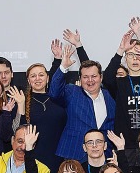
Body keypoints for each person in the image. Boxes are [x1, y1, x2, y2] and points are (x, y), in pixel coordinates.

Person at [50, 29, 116, 164]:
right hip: (74, 153)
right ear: (80, 79)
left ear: (101, 77)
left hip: (105, 155)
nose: (90, 80)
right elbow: (54, 92)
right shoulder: (71, 92)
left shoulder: (110, 95)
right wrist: (63, 67)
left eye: (94, 76)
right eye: (85, 77)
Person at [13, 47, 68, 171]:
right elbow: (17, 130)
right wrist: (20, 105)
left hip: (59, 160)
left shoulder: (59, 98)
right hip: (33, 161)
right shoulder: (22, 100)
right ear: (28, 80)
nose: (37, 78)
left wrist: (58, 59)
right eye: (33, 76)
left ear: (47, 78)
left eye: (41, 75)